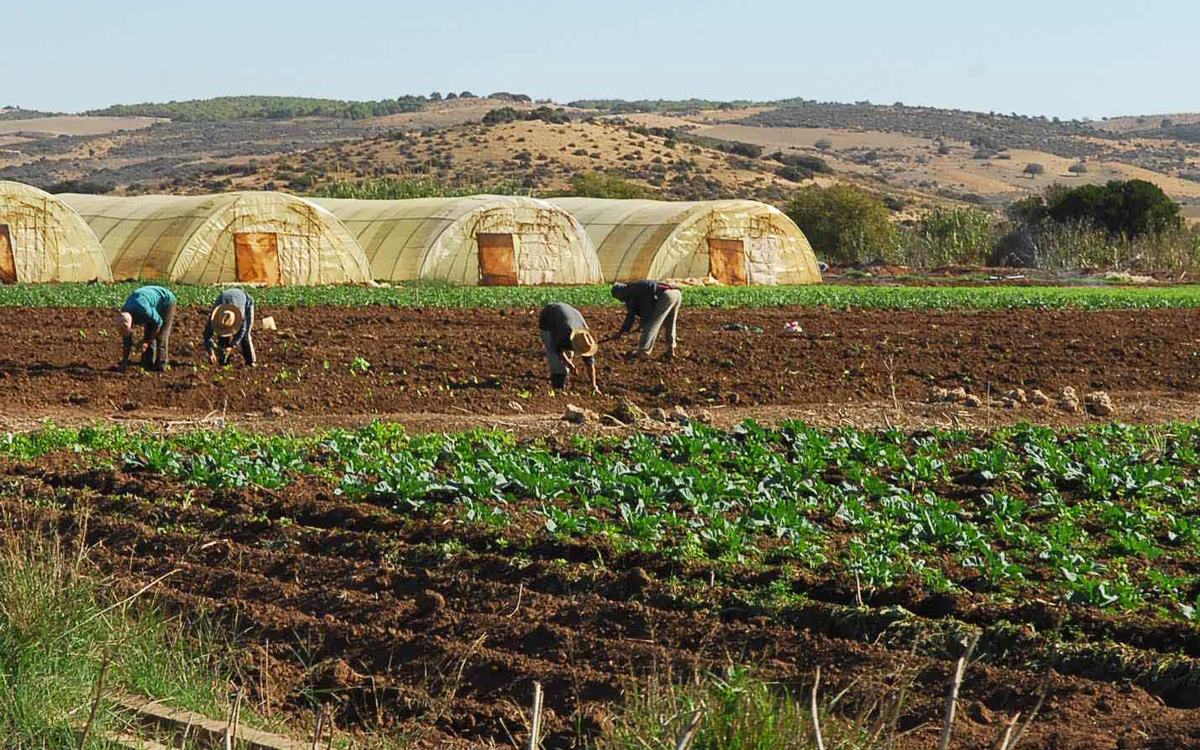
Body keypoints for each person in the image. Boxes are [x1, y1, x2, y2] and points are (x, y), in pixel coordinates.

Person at [608, 280, 682, 359]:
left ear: (620, 292)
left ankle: (643, 351)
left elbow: (633, 315)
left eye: (618, 297)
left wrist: (622, 331)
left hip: (666, 296)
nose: (621, 300)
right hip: (676, 293)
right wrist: (623, 331)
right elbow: (638, 311)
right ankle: (671, 349)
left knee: (651, 324)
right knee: (670, 323)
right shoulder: (635, 287)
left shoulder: (631, 293)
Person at [538, 302, 600, 394]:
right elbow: (557, 349)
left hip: (570, 314)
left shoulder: (586, 339)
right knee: (556, 359)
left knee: (568, 354)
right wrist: (569, 364)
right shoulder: (564, 335)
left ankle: (564, 381)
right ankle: (557, 388)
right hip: (548, 317)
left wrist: (594, 385)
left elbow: (590, 364)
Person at [116, 285, 176, 372]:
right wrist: (125, 362)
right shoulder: (124, 315)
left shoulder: (144, 310)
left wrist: (147, 342)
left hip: (166, 302)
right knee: (148, 333)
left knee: (161, 336)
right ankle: (147, 364)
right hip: (149, 302)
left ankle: (161, 365)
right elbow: (127, 338)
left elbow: (158, 322)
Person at [203, 288, 257, 367]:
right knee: (222, 336)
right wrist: (211, 352)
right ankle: (223, 361)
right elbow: (207, 334)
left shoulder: (240, 314)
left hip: (246, 302)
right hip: (226, 300)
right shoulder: (216, 315)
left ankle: (251, 361)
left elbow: (243, 330)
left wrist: (232, 346)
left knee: (246, 336)